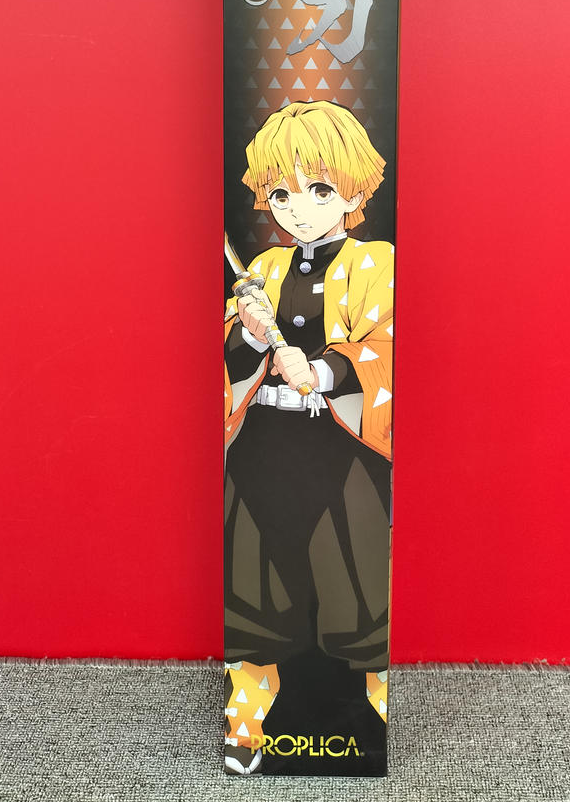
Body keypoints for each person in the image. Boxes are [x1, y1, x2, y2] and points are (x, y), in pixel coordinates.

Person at [224, 100, 393, 775]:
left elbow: (390, 345)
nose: (299, 208)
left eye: (320, 190)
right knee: (253, 587)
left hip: (340, 451)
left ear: (354, 191)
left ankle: (372, 719)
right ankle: (246, 719)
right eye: (282, 194)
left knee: (357, 586)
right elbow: (228, 357)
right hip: (264, 448)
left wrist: (324, 369)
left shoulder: (375, 263)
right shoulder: (262, 269)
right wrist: (248, 336)